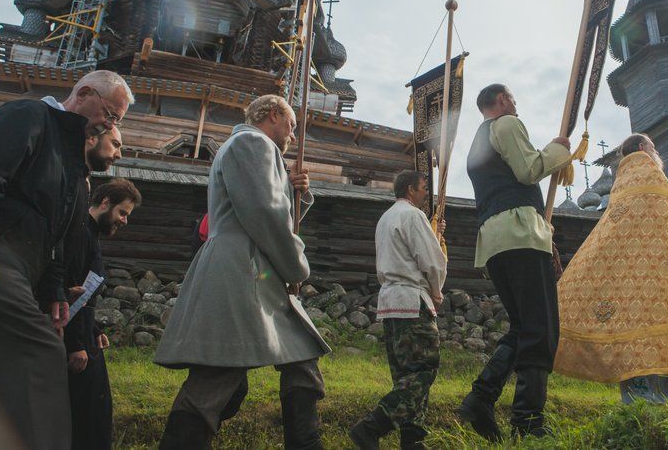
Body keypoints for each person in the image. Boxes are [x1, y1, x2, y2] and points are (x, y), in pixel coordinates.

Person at [0, 70, 133, 449]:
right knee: (41, 354)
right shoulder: (28, 116)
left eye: (116, 120)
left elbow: (55, 237)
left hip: (23, 270)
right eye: (110, 115)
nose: (110, 125)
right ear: (84, 93)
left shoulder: (72, 161)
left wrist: (54, 291)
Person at [155, 94, 330, 450]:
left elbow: (266, 212)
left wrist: (294, 192)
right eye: (291, 126)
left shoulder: (251, 149)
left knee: (301, 355)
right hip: (242, 269)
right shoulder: (252, 143)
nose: (293, 136)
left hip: (252, 268)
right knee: (220, 371)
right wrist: (296, 266)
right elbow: (264, 215)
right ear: (272, 114)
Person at [553, 133, 668, 403]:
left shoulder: (622, 188)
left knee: (636, 337)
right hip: (665, 280)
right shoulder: (651, 177)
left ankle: (644, 403)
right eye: (654, 148)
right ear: (643, 148)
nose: (657, 154)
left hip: (630, 290)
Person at [456, 84, 571, 440]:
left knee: (523, 327)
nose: (516, 106)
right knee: (541, 328)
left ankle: (481, 398)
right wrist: (557, 150)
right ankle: (528, 421)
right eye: (513, 99)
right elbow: (528, 171)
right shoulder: (506, 124)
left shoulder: (477, 143)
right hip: (520, 233)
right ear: (503, 100)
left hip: (495, 239)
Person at [350, 171, 447, 450]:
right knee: (423, 372)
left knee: (406, 376)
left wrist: (435, 232)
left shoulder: (385, 219)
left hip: (391, 303)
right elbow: (431, 260)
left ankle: (412, 440)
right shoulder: (413, 216)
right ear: (410, 189)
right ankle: (371, 427)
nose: (426, 193)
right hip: (412, 300)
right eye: (423, 187)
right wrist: (437, 290)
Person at [64, 127, 141, 450]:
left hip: (85, 339)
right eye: (122, 212)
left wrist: (94, 330)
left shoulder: (91, 235)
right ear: (105, 202)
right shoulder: (80, 233)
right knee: (86, 421)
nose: (124, 221)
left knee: (96, 416)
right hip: (73, 345)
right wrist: (76, 344)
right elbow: (71, 292)